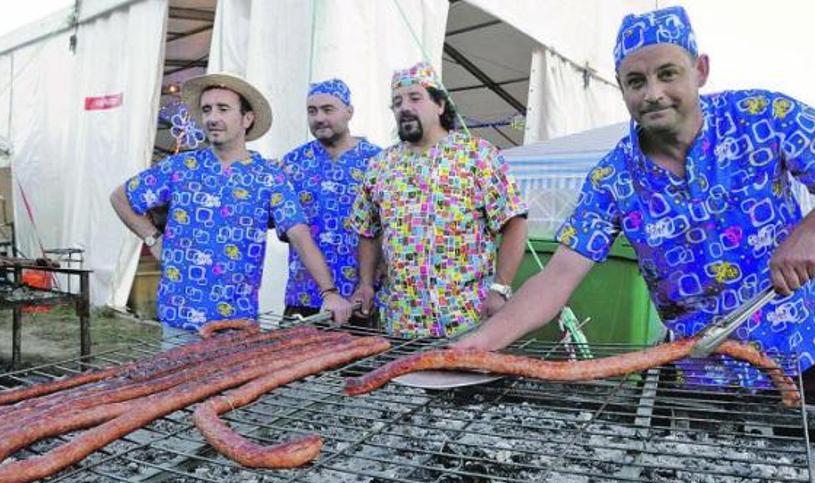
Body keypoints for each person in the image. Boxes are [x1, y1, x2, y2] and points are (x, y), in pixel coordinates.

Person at [456, 6, 815, 414]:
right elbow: (558, 276)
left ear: (700, 70)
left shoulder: (761, 115)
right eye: (636, 81)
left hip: (804, 346)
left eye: (667, 74)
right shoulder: (613, 178)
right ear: (621, 89)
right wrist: (483, 341)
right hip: (705, 372)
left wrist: (812, 231)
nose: (653, 93)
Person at [110, 72, 353, 346]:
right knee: (182, 389)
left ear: (247, 119)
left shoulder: (268, 177)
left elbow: (300, 234)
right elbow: (121, 197)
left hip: (236, 325)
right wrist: (153, 239)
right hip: (178, 319)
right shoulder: (181, 167)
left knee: (230, 390)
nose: (213, 117)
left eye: (223, 109)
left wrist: (329, 292)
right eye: (207, 110)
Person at [349, 62, 529, 338]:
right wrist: (365, 283)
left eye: (415, 98)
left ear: (440, 105)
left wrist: (500, 288)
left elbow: (514, 221)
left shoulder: (478, 155)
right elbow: (367, 230)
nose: (404, 107)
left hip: (467, 321)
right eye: (397, 102)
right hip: (400, 325)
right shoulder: (380, 165)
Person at [280, 79, 382, 326]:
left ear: (349, 112)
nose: (319, 118)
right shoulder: (293, 162)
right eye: (312, 111)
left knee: (365, 365)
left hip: (362, 299)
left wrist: (371, 283)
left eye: (328, 109)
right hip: (305, 295)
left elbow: (388, 228)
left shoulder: (378, 161)